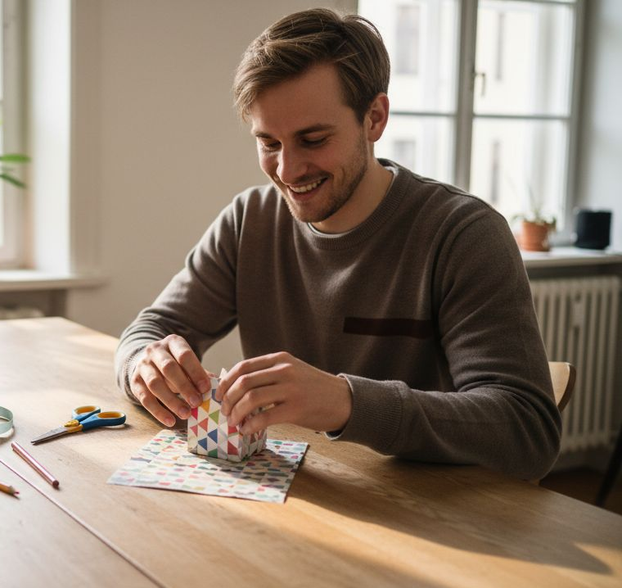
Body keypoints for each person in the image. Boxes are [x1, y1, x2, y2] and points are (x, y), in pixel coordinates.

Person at [114, 8, 560, 480]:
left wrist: (345, 403)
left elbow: (527, 430)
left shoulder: (463, 235)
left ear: (375, 118)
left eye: (313, 139)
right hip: (298, 505)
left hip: (429, 522)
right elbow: (151, 329)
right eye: (269, 143)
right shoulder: (251, 221)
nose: (287, 171)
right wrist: (144, 363)